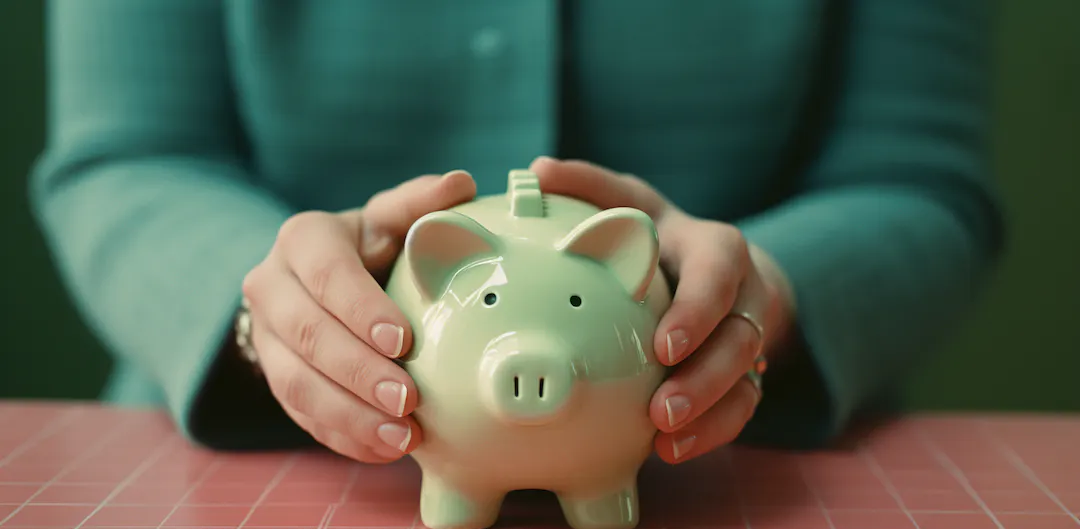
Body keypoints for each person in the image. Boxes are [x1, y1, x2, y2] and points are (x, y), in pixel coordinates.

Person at [29, 1, 1003, 465]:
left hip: (746, 465)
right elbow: (126, 155)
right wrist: (263, 306)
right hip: (233, 464)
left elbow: (915, 180)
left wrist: (765, 295)